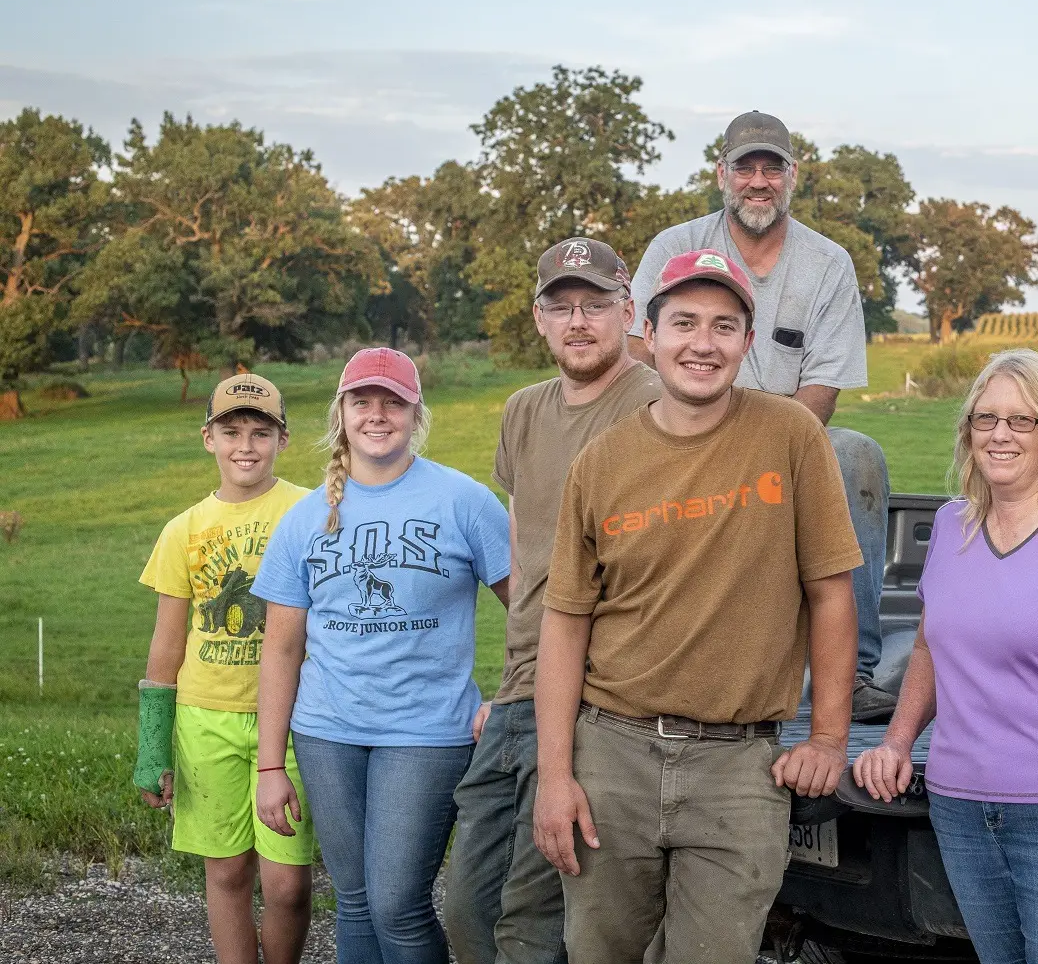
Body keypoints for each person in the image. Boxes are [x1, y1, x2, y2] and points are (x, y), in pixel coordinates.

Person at [533, 249, 863, 964]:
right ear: (649, 335)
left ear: (748, 342)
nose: (703, 343)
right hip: (612, 754)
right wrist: (556, 777)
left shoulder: (791, 436)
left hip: (738, 766)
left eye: (724, 325)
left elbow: (830, 592)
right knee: (599, 953)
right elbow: (565, 623)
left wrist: (830, 739)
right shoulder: (602, 461)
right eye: (683, 321)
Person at [855, 349, 1038, 964]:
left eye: (1023, 420)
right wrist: (895, 740)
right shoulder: (949, 525)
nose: (1000, 434)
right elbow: (928, 647)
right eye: (986, 418)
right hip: (963, 808)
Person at [627, 110, 896, 720]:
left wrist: (756, 450)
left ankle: (851, 673)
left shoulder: (828, 264)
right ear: (720, 174)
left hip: (784, 434)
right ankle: (654, 662)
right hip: (679, 429)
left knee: (856, 455)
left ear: (792, 176)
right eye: (744, 167)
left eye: (770, 169)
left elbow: (822, 389)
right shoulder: (676, 248)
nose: (757, 181)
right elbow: (639, 345)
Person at [253, 348, 511, 964]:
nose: (377, 414)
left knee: (398, 903)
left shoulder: (463, 501)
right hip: (327, 732)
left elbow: (533, 611)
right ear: (340, 413)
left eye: (392, 401)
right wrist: (269, 767)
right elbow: (281, 648)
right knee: (356, 901)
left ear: (415, 413)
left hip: (427, 731)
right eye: (362, 401)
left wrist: (510, 694)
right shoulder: (304, 518)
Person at [445, 238, 659, 964]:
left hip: (590, 701)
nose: (578, 321)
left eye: (596, 304)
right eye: (561, 305)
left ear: (628, 311)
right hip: (516, 697)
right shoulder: (523, 411)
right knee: (469, 911)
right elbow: (525, 549)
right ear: (538, 318)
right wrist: (509, 683)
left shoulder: (656, 407)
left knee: (531, 923)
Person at [135, 374, 313, 964]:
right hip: (206, 718)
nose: (246, 445)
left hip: (291, 718)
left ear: (282, 440)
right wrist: (152, 746)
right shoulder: (182, 529)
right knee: (230, 872)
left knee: (287, 883)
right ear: (207, 438)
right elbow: (167, 644)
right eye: (231, 431)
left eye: (261, 432)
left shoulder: (309, 510)